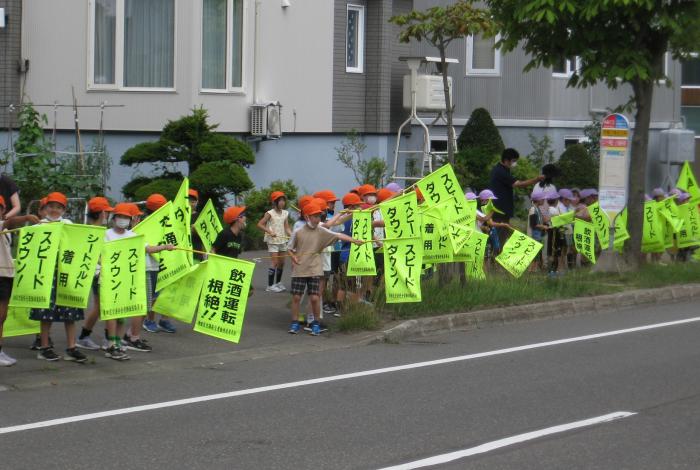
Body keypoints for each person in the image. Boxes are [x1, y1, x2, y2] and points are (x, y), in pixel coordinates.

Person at [105, 203, 175, 358]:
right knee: (112, 312)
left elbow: (148, 248)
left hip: (129, 278)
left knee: (124, 311)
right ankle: (110, 344)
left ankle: (118, 342)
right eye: (120, 216)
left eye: (126, 217)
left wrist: (165, 247)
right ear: (114, 218)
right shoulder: (107, 234)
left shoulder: (132, 236)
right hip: (112, 278)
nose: (123, 220)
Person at [287, 201, 362, 335]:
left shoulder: (321, 230)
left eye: (319, 216)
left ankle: (316, 323)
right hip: (299, 269)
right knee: (296, 297)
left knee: (315, 297)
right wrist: (293, 257)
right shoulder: (298, 232)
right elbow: (289, 248)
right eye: (315, 216)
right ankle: (294, 323)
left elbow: (338, 235)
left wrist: (354, 240)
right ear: (307, 217)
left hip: (315, 268)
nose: (318, 218)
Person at [30, 192, 87, 362]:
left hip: (66, 273)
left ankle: (72, 347)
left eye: (59, 207)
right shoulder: (38, 226)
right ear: (45, 208)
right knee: (45, 312)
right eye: (51, 206)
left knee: (70, 311)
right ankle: (44, 346)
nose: (54, 210)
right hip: (45, 275)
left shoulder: (68, 224)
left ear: (64, 209)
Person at [0, 197, 41, 366]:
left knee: (2, 317)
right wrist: (25, 218)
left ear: (3, 209)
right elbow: (9, 222)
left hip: (6, 275)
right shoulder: (3, 224)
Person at [76, 196, 114, 351]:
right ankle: (106, 339)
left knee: (100, 307)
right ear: (101, 213)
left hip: (102, 273)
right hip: (98, 274)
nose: (109, 215)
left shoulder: (100, 231)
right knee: (104, 306)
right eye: (107, 212)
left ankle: (84, 336)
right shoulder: (94, 232)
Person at [489, 148, 545, 251]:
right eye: (513, 161)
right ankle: (494, 261)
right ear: (506, 160)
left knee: (502, 236)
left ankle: (496, 261)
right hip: (499, 211)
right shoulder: (500, 172)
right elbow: (518, 184)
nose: (514, 164)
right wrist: (536, 179)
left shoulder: (502, 170)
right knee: (498, 239)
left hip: (502, 211)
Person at [140, 194, 178, 334]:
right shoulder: (145, 224)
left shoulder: (165, 222)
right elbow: (147, 248)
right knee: (152, 296)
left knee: (165, 293)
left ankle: (164, 320)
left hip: (164, 263)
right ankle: (148, 320)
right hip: (149, 265)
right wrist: (164, 247)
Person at [257, 191, 292, 293]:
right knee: (275, 262)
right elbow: (260, 224)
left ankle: (278, 283)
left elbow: (287, 227)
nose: (282, 203)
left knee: (282, 263)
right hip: (272, 241)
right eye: (280, 200)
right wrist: (269, 231)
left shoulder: (285, 213)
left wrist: (292, 235)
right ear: (275, 202)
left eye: (283, 200)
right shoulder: (270, 213)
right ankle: (270, 285)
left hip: (282, 240)